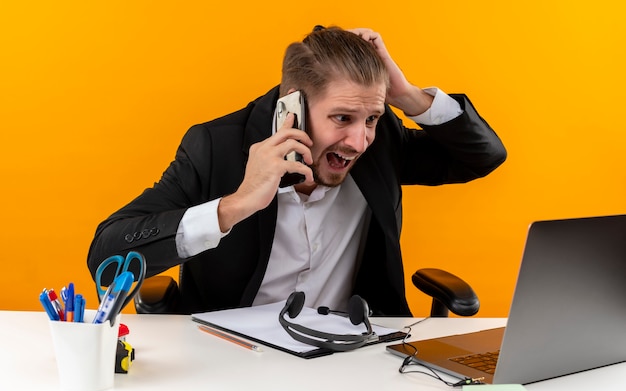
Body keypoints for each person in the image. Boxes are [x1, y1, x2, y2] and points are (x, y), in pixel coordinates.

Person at [87, 26, 506, 316]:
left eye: (372, 119)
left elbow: (482, 156)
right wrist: (233, 206)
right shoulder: (217, 147)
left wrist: (407, 96)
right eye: (341, 118)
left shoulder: (380, 142)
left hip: (352, 357)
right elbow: (106, 256)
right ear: (294, 105)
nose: (360, 142)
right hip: (233, 360)